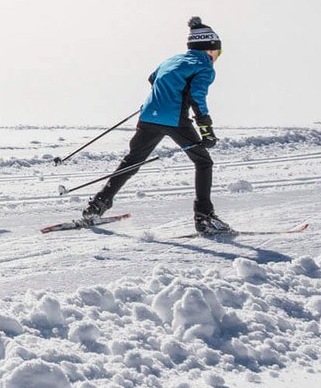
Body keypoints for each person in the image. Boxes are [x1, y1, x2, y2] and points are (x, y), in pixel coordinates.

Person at [82, 16, 228, 235]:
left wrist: (165, 93)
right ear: (210, 49)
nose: (217, 57)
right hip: (175, 121)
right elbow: (198, 99)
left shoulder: (172, 60)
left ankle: (97, 206)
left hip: (149, 116)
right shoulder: (204, 67)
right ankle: (204, 217)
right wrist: (206, 130)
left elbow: (152, 78)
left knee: (131, 162)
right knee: (203, 162)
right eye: (219, 52)